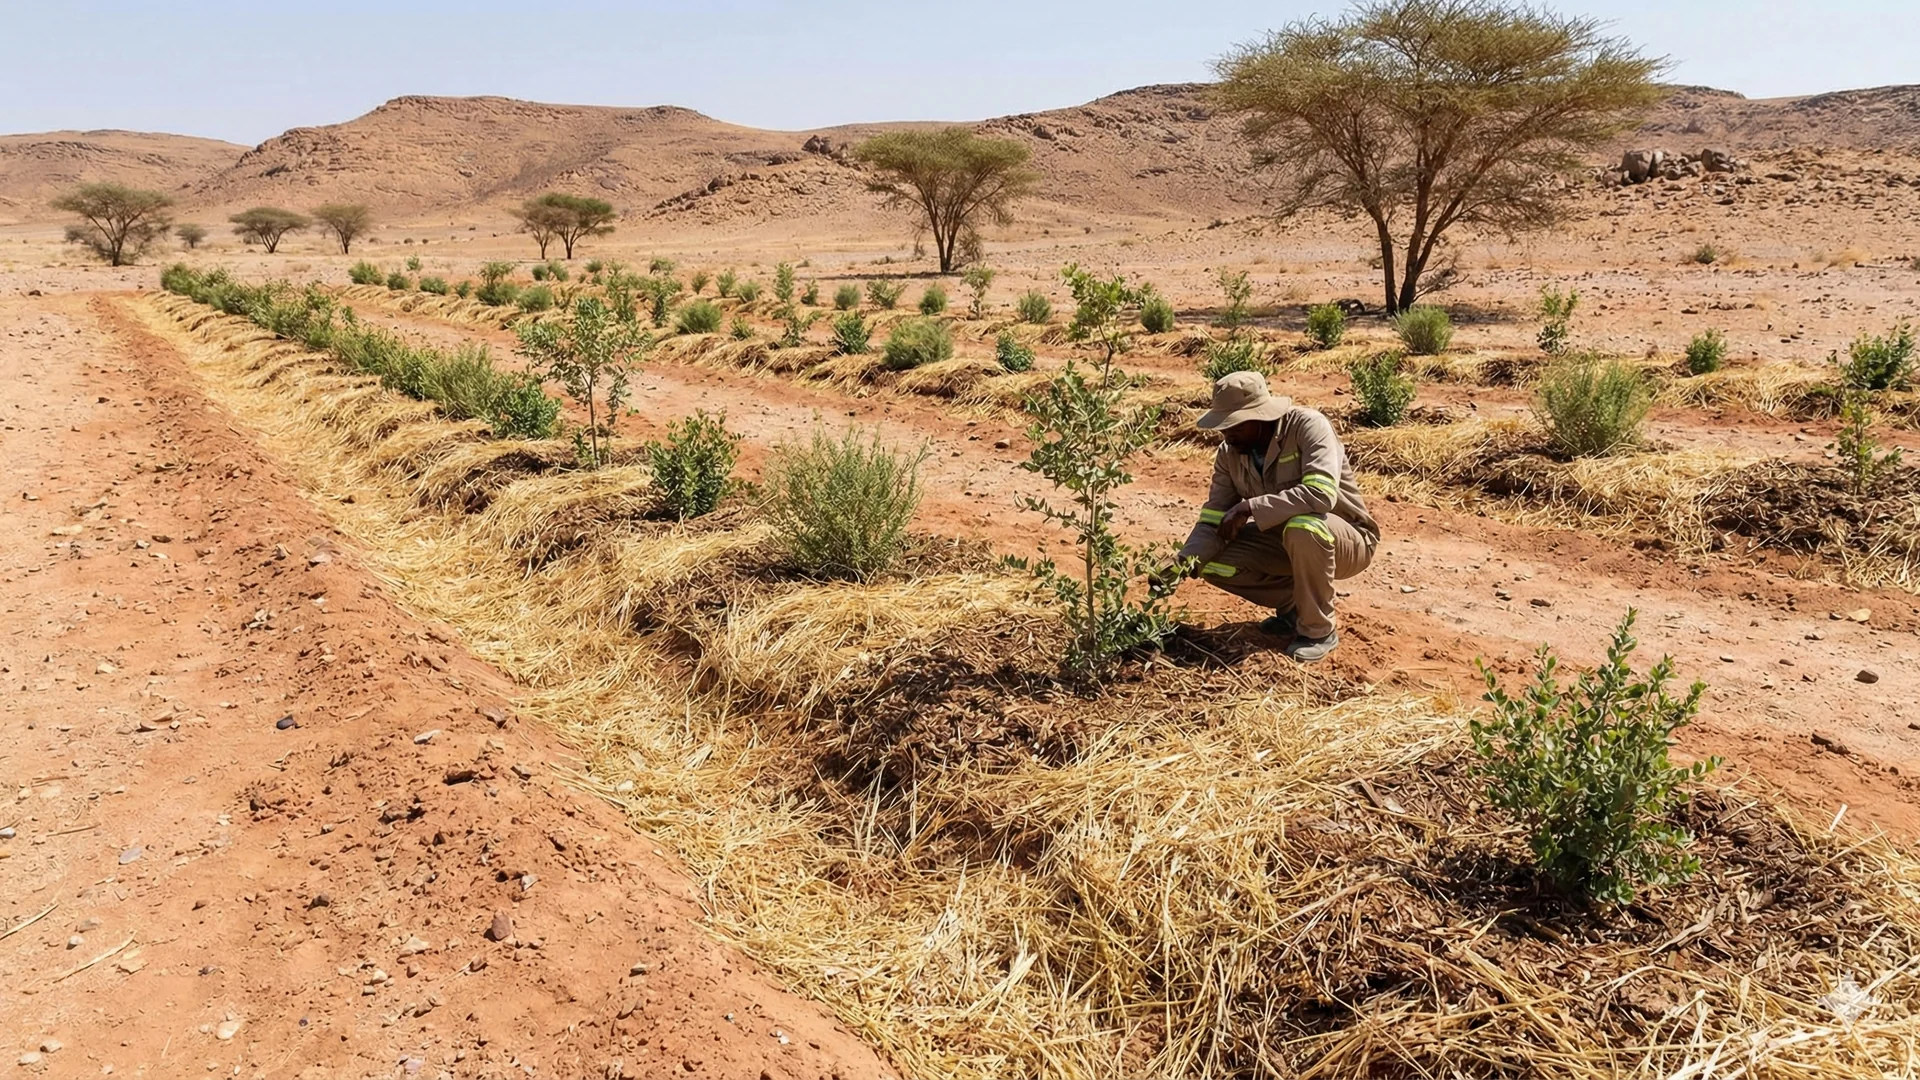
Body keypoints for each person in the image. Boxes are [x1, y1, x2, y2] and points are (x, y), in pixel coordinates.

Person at [1162, 370, 1380, 662]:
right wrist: (1183, 562)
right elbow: (1213, 518)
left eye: (1234, 425)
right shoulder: (1230, 452)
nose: (1226, 433)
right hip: (1283, 541)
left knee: (1304, 526)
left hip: (1346, 539)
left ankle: (1318, 631)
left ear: (1259, 416)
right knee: (1210, 563)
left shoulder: (1308, 426)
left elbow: (1321, 495)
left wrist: (1250, 507)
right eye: (1223, 426)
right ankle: (1293, 609)